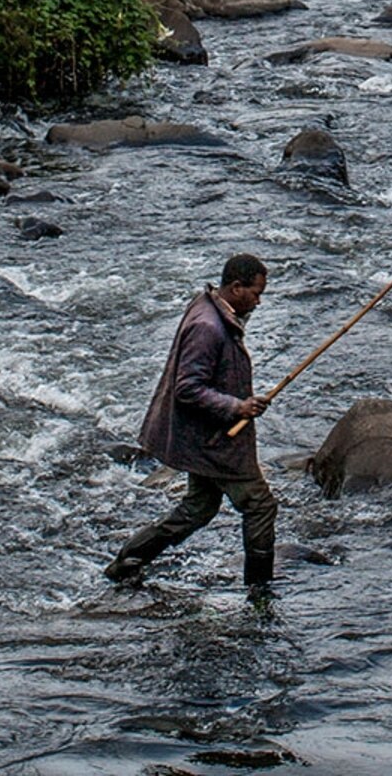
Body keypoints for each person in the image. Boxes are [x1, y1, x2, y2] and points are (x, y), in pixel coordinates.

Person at [106, 253, 277, 591]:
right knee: (260, 506)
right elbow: (187, 388)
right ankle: (260, 590)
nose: (258, 301)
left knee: (199, 508)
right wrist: (238, 406)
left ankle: (128, 561)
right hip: (214, 442)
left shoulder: (209, 307)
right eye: (256, 293)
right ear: (236, 287)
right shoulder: (208, 328)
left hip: (203, 438)